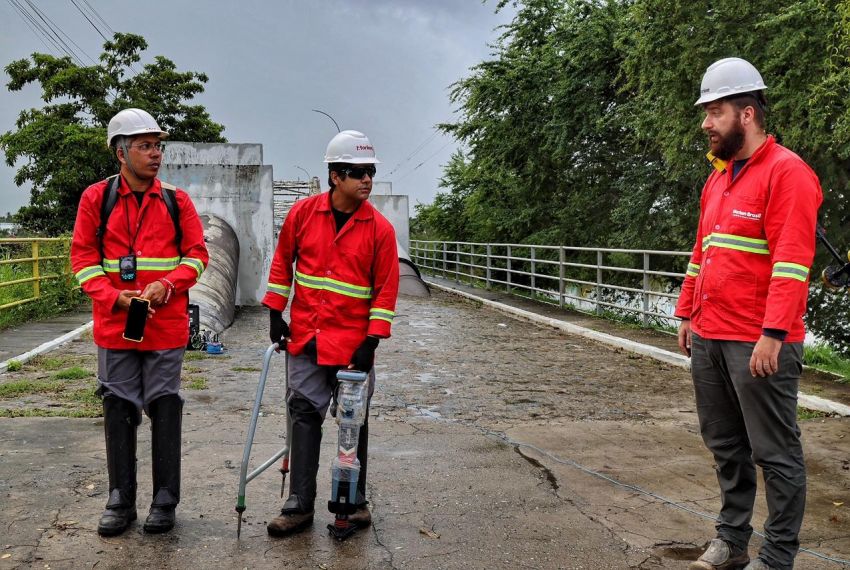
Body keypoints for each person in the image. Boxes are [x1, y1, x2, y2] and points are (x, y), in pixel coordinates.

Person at [676, 59, 822, 570]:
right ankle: (732, 541)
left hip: (759, 341)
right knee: (724, 445)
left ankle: (777, 556)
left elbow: (792, 264)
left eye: (714, 111)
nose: (706, 123)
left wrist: (774, 334)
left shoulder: (789, 173)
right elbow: (703, 250)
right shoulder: (717, 180)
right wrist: (687, 312)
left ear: (747, 113)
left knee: (775, 454)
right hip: (710, 334)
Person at [70, 108, 209, 536]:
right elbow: (82, 260)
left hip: (165, 327)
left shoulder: (175, 201)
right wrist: (115, 297)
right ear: (120, 153)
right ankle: (120, 500)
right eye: (145, 146)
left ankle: (165, 501)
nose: (155, 154)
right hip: (116, 327)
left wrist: (167, 284)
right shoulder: (97, 198)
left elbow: (199, 256)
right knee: (118, 405)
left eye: (157, 146)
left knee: (165, 405)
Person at [262, 129, 399, 537]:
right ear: (335, 176)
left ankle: (353, 504)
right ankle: (299, 505)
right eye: (357, 172)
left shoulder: (380, 230)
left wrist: (371, 341)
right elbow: (282, 264)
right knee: (303, 416)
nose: (367, 181)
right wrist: (274, 313)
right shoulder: (303, 215)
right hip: (306, 337)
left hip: (353, 346)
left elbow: (385, 290)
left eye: (370, 172)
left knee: (353, 423)